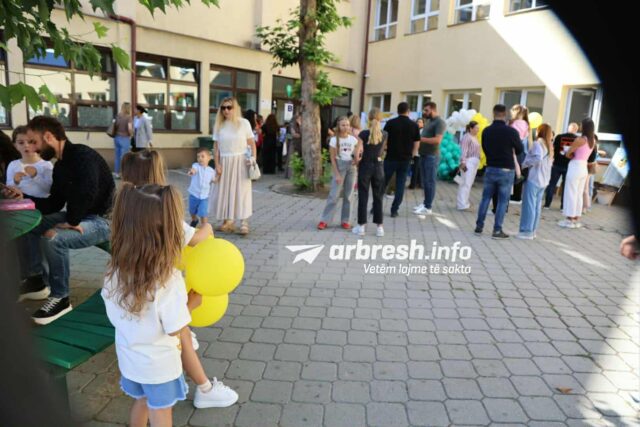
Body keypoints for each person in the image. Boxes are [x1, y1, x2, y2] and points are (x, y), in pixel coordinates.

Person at [119, 150, 238, 410]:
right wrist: (208, 227)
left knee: (178, 338)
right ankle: (205, 389)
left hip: (133, 299)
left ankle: (203, 386)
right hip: (160, 305)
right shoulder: (163, 216)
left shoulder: (123, 214)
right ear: (157, 175)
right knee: (180, 335)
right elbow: (197, 238)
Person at [103, 183, 200, 426]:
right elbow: (175, 329)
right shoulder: (168, 280)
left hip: (129, 360)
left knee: (142, 401)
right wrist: (192, 304)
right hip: (159, 367)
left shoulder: (114, 273)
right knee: (161, 412)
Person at [2, 116, 114, 324]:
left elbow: (88, 191)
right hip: (81, 216)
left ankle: (61, 298)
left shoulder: (82, 155)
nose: (32, 148)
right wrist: (23, 197)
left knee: (53, 238)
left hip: (103, 221)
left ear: (48, 137)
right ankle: (36, 280)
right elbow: (53, 203)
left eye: (34, 142)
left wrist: (73, 220)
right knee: (31, 225)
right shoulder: (61, 166)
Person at [474, 104, 523, 239]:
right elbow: (520, 149)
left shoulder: (486, 131)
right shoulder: (511, 132)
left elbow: (484, 148)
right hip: (506, 170)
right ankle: (497, 230)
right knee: (502, 201)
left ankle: (479, 226)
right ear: (505, 114)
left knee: (485, 198)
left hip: (491, 167)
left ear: (493, 113)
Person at [211, 97, 256, 235]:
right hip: (225, 161)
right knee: (225, 191)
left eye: (229, 107)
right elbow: (216, 148)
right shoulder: (219, 125)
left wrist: (253, 159)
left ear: (235, 108)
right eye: (223, 108)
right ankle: (228, 221)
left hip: (241, 161)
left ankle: (244, 222)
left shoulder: (244, 123)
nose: (226, 110)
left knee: (242, 191)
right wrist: (217, 164)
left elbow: (251, 143)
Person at [317, 116, 360, 230]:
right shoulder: (334, 140)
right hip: (339, 166)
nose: (346, 127)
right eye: (343, 125)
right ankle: (325, 220)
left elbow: (358, 152)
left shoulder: (353, 139)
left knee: (349, 195)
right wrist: (336, 174)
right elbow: (332, 158)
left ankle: (345, 220)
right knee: (334, 195)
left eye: (347, 125)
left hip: (351, 167)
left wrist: (357, 160)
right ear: (338, 126)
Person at [352, 108, 387, 237]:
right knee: (378, 197)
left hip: (365, 166)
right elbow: (383, 151)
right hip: (378, 167)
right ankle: (380, 228)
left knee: (363, 196)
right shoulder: (385, 134)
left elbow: (357, 152)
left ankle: (361, 226)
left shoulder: (363, 134)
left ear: (368, 119)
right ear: (380, 119)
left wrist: (356, 162)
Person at [383, 102, 420, 217]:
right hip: (405, 159)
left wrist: (384, 150)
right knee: (400, 185)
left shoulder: (390, 123)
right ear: (408, 111)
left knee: (383, 182)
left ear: (397, 111)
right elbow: (416, 143)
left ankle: (376, 207)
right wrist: (412, 156)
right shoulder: (414, 125)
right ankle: (394, 210)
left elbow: (384, 140)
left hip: (390, 158)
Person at [517, 123, 554, 239]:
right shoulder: (549, 146)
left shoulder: (538, 144)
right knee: (536, 206)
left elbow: (537, 158)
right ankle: (533, 231)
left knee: (529, 205)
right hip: (544, 179)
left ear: (540, 131)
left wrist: (525, 164)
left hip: (534, 178)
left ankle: (526, 231)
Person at [559, 118, 595, 228]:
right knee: (578, 194)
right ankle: (576, 219)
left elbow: (568, 153)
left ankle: (569, 220)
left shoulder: (580, 139)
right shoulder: (592, 141)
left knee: (571, 192)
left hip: (575, 166)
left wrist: (568, 153)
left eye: (581, 124)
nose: (580, 126)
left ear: (585, 127)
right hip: (584, 167)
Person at [5, 126, 54, 202]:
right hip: (20, 205)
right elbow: (8, 190)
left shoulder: (46, 165)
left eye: (31, 142)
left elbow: (50, 189)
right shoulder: (13, 165)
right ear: (15, 145)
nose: (26, 145)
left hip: (42, 206)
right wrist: (15, 181)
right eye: (21, 143)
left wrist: (35, 176)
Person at [415, 102, 446, 215]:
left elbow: (438, 140)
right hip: (424, 154)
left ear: (433, 110)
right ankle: (425, 203)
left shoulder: (440, 122)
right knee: (425, 181)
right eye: (424, 110)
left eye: (426, 110)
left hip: (432, 156)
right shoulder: (429, 121)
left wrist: (421, 139)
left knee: (430, 182)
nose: (424, 112)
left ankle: (428, 207)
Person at [544, 122, 579, 209]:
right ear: (576, 130)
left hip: (557, 164)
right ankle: (563, 207)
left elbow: (553, 149)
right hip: (569, 166)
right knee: (566, 186)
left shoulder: (559, 137)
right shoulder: (577, 139)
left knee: (552, 184)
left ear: (568, 128)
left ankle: (547, 205)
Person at [456, 121, 482, 210]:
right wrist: (463, 162)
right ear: (471, 128)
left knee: (469, 183)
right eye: (476, 128)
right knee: (465, 183)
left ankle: (465, 202)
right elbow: (463, 150)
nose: (478, 129)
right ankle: (461, 204)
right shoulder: (466, 137)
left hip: (474, 162)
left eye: (478, 128)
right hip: (468, 162)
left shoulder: (475, 137)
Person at [187, 148, 216, 228]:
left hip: (204, 197)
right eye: (198, 157)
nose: (200, 158)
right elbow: (194, 170)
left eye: (202, 156)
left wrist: (219, 177)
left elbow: (214, 180)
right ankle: (194, 219)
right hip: (194, 195)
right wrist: (191, 171)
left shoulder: (211, 171)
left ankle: (204, 227)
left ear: (209, 158)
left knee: (203, 213)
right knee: (192, 211)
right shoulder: (196, 166)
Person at [509, 104, 531, 204]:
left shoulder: (512, 123)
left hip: (512, 149)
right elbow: (529, 140)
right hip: (523, 151)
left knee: (511, 171)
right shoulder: (527, 124)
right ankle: (517, 196)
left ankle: (512, 195)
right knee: (520, 172)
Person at [113, 102, 133, 178]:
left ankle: (116, 173)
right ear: (128, 108)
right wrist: (131, 135)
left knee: (117, 157)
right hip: (124, 139)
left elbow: (115, 126)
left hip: (116, 138)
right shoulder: (128, 117)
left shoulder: (118, 116)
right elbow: (130, 129)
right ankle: (124, 174)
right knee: (125, 157)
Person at [408, 118, 424, 190]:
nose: (418, 123)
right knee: (416, 169)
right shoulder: (414, 130)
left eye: (420, 122)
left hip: (418, 153)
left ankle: (413, 184)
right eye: (417, 122)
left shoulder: (422, 131)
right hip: (414, 152)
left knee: (416, 169)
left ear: (423, 124)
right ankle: (418, 183)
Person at [285, 113, 302, 179]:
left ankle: (297, 174)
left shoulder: (301, 124)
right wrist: (299, 134)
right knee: (291, 158)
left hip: (299, 144)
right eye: (299, 118)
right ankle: (291, 174)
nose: (300, 119)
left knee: (298, 158)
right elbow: (294, 134)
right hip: (293, 143)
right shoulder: (292, 125)